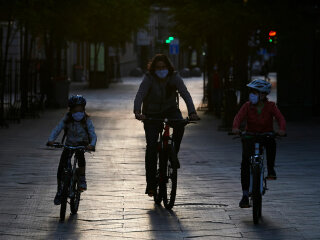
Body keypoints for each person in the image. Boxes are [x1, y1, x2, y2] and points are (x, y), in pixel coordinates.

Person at [134, 54, 200, 197]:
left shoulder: (174, 77)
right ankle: (151, 184)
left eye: (163, 67)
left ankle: (173, 153)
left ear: (168, 67)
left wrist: (192, 112)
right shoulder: (149, 78)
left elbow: (185, 93)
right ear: (153, 69)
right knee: (151, 147)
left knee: (180, 124)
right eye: (158, 68)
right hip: (151, 113)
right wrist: (137, 111)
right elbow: (140, 94)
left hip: (171, 110)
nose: (161, 70)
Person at [232, 79, 286, 208]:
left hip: (266, 135)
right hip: (250, 135)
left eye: (256, 92)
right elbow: (238, 117)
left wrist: (281, 130)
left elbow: (280, 118)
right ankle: (245, 195)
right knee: (245, 162)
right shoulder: (247, 106)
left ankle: (271, 169)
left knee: (271, 143)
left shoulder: (271, 106)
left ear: (263, 94)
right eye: (252, 92)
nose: (253, 95)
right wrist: (235, 128)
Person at [47, 95, 97, 205]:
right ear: (71, 109)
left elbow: (93, 134)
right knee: (61, 167)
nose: (78, 112)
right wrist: (51, 140)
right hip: (69, 145)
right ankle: (60, 191)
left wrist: (92, 145)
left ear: (83, 109)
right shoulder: (67, 119)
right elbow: (57, 129)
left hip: (81, 145)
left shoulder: (86, 120)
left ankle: (82, 179)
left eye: (80, 109)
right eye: (75, 109)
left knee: (80, 158)